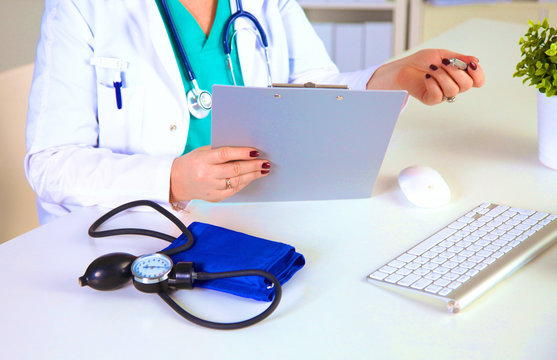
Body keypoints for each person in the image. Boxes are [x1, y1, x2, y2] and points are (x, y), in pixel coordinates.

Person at [25, 0, 485, 224]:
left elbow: (316, 98)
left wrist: (392, 79)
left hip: (258, 219)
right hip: (135, 233)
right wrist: (172, 179)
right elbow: (49, 165)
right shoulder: (83, 7)